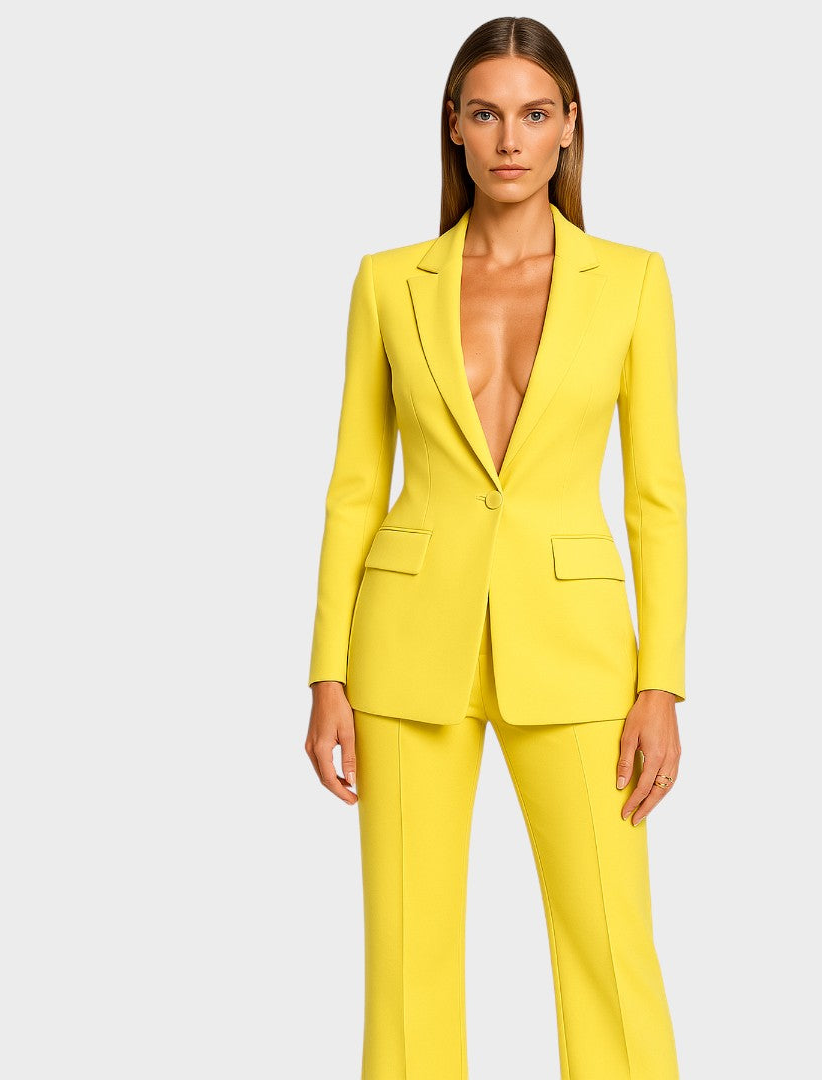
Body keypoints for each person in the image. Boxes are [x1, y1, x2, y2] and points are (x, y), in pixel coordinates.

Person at [304, 16, 686, 1080]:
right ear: (454, 128)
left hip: (578, 650)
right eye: (486, 113)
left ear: (569, 127)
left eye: (533, 113)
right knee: (406, 962)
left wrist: (662, 684)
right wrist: (327, 671)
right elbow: (352, 489)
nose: (510, 139)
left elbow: (658, 499)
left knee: (611, 948)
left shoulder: (634, 281)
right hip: (404, 644)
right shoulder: (388, 282)